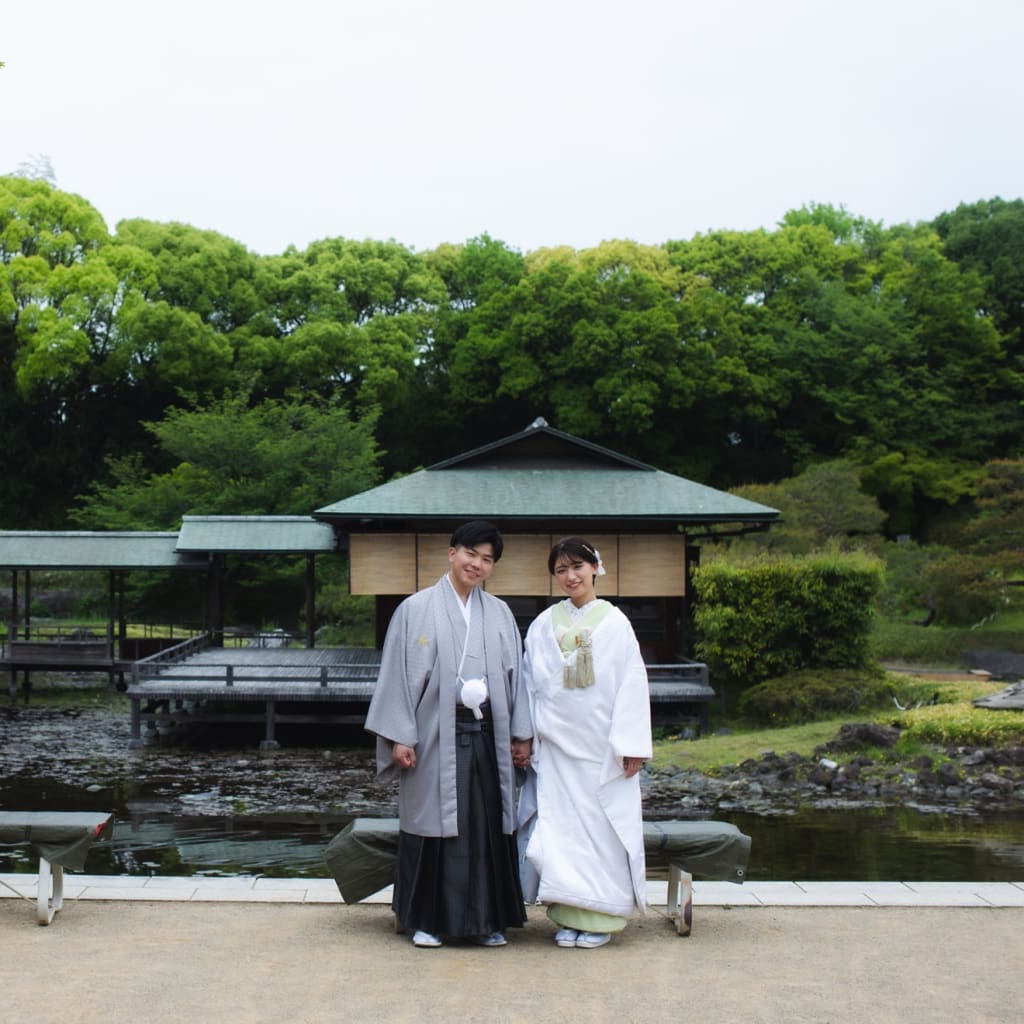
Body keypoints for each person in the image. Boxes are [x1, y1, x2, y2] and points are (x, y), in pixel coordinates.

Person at [364, 520, 533, 948]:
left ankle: (489, 921)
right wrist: (401, 736)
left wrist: (520, 734)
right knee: (433, 825)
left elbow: (518, 682)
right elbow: (397, 679)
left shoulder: (498, 613)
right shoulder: (415, 609)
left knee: (489, 825)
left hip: (487, 733)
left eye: (487, 559)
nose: (477, 564)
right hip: (433, 734)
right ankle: (428, 920)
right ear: (452, 553)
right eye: (471, 554)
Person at [519, 536, 652, 949]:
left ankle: (603, 917)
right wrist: (525, 734)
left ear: (595, 567)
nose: (570, 576)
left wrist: (631, 744)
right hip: (556, 747)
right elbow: (528, 683)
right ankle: (567, 913)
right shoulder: (543, 624)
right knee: (561, 830)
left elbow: (632, 683)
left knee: (602, 830)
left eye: (577, 566)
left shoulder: (615, 623)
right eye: (561, 570)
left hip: (602, 749)